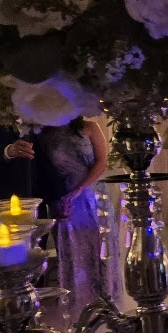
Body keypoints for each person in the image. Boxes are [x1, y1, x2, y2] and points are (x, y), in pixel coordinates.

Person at [40, 117, 121, 308]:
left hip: (94, 196)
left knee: (100, 248)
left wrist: (80, 189)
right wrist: (59, 199)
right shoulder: (45, 134)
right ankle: (78, 304)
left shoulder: (90, 127)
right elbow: (45, 173)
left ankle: (106, 301)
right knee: (73, 251)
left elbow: (102, 162)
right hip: (64, 199)